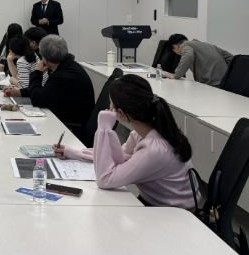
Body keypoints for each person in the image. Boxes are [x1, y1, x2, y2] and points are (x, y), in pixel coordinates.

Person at [54, 74, 197, 209]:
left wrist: (104, 128)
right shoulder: (142, 133)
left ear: (121, 113)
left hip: (174, 214)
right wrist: (73, 153)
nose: (108, 109)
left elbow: (105, 179)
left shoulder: (154, 149)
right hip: (157, 205)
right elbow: (117, 158)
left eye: (111, 105)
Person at [4, 35, 93, 137]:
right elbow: (47, 91)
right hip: (66, 118)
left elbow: (38, 99)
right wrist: (20, 92)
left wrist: (37, 73)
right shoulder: (67, 67)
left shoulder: (64, 76)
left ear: (44, 58)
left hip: (70, 129)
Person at [163, 34, 233, 86]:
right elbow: (231, 58)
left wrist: (176, 75)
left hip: (213, 84)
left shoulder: (185, 46)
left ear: (175, 46)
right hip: (227, 82)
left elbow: (188, 56)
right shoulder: (207, 45)